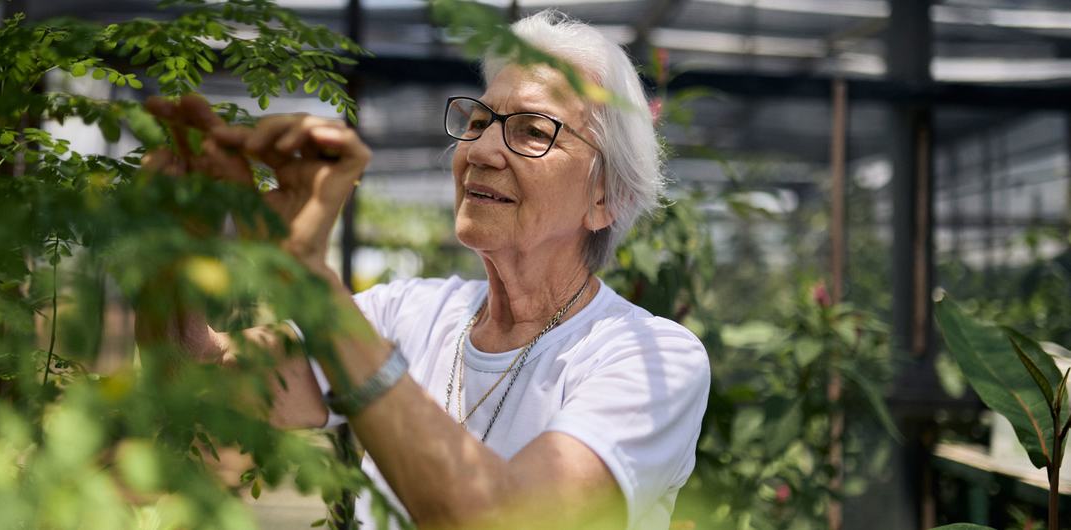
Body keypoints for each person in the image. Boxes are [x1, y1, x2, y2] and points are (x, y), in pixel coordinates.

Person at [140, 10, 710, 530]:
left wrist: (308, 280)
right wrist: (170, 252)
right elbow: (198, 389)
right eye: (481, 119)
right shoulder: (408, 313)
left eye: (533, 131)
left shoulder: (649, 358)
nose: (482, 150)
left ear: (605, 198)